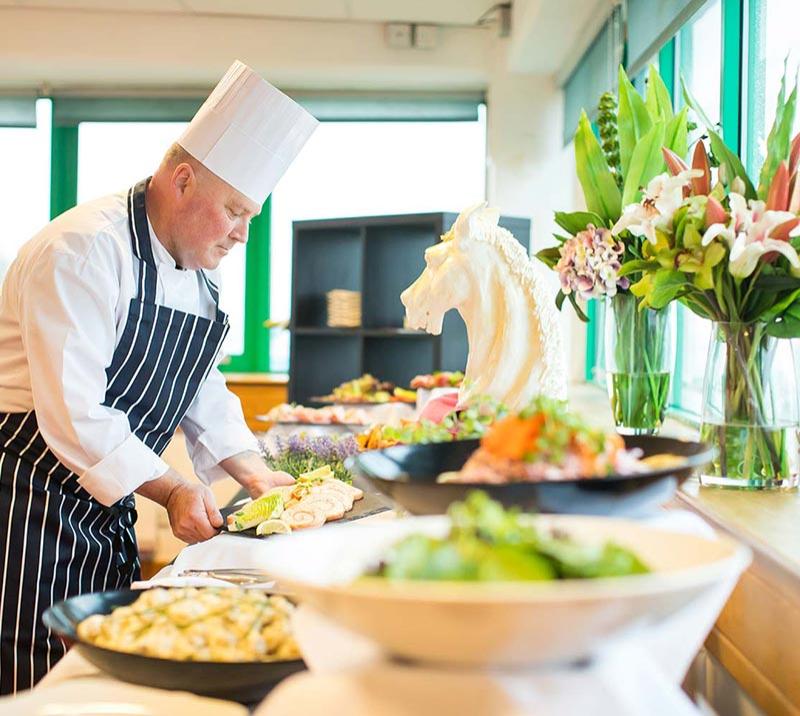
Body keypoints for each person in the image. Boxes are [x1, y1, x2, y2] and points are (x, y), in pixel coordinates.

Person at [0, 60, 318, 693]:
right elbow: (76, 415)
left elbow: (200, 382)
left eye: (252, 216)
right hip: (25, 500)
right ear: (181, 180)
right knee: (33, 671)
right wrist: (174, 489)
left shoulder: (199, 273)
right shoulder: (85, 250)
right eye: (235, 211)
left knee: (102, 668)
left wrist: (254, 473)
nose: (241, 236)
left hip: (103, 504)